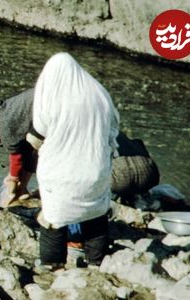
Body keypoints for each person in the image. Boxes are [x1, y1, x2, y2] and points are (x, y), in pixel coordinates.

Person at [0, 94, 159, 208]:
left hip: (118, 180)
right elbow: (29, 157)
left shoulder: (7, 120)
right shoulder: (99, 126)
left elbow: (20, 158)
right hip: (151, 173)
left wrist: (15, 188)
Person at [32, 52, 119, 269]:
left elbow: (37, 135)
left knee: (53, 218)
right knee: (96, 214)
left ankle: (53, 265)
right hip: (95, 170)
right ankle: (97, 262)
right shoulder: (99, 92)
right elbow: (113, 128)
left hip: (61, 175)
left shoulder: (53, 96)